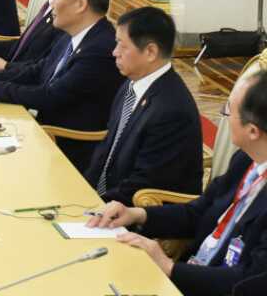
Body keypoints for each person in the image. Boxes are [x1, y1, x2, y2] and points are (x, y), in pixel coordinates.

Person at [88, 70, 267, 296]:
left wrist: (169, 267)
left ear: (252, 131)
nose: (224, 116)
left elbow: (250, 281)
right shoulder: (246, 160)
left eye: (228, 110)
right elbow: (199, 212)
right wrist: (137, 214)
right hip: (193, 272)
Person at [0, 0, 122, 171]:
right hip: (41, 128)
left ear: (80, 3)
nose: (51, 2)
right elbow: (38, 70)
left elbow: (50, 96)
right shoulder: (73, 34)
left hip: (64, 146)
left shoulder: (100, 48)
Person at [82, 7, 203, 206]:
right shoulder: (131, 84)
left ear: (150, 52)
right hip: (107, 198)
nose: (114, 52)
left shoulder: (172, 111)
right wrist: (82, 191)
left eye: (122, 46)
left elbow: (144, 183)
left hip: (137, 210)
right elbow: (107, 148)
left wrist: (91, 207)